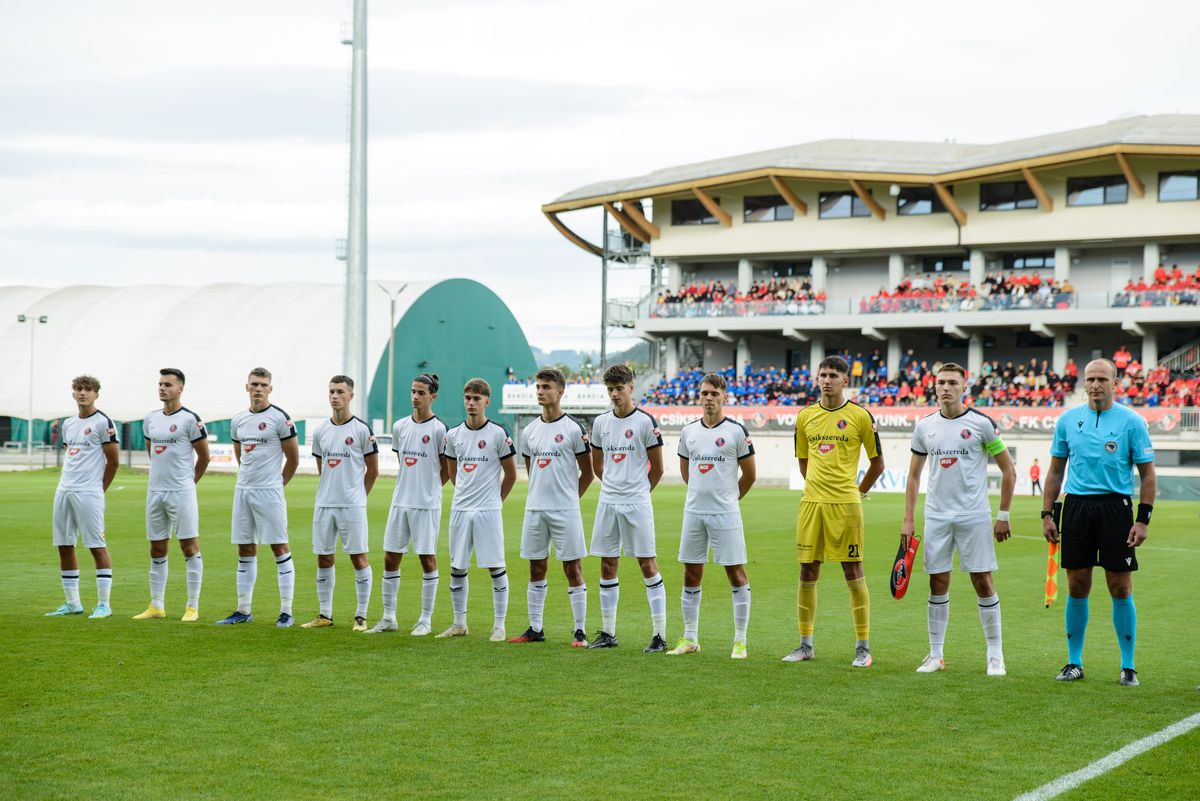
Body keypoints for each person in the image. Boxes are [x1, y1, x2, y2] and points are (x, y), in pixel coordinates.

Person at [1043, 359, 1156, 686]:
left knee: (1120, 587)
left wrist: (1143, 519)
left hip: (1115, 509)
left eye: (1101, 379)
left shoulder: (1132, 422)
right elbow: (1054, 472)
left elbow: (1148, 475)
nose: (1095, 384)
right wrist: (1047, 513)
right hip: (1076, 507)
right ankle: (1074, 662)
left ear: (1114, 383)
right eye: (1090, 379)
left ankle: (1128, 666)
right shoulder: (1067, 420)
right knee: (1077, 585)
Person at [902, 363, 1016, 676]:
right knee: (937, 582)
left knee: (982, 580)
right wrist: (908, 519)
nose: (946, 388)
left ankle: (995, 654)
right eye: (941, 383)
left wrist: (1003, 514)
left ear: (964, 387)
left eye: (953, 382)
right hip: (936, 515)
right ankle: (935, 655)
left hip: (973, 514)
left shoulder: (981, 424)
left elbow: (1009, 470)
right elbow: (913, 476)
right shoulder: (925, 426)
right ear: (934, 387)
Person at [783, 356, 884, 667]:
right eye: (822, 375)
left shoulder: (860, 416)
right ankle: (805, 645)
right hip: (812, 504)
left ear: (845, 381)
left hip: (846, 505)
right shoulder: (804, 417)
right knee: (807, 571)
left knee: (852, 570)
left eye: (832, 375)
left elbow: (877, 463)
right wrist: (816, 487)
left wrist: (857, 491)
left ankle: (863, 648)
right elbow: (803, 461)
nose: (826, 380)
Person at [667, 373, 756, 659]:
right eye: (704, 393)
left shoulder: (736, 431)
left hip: (725, 513)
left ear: (724, 397)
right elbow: (685, 470)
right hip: (694, 512)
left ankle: (740, 641)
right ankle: (690, 637)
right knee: (691, 573)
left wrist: (729, 499)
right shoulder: (688, 431)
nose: (708, 398)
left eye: (714, 394)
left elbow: (750, 474)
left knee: (735, 572)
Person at [510, 368, 594, 646]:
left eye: (546, 387)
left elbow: (588, 472)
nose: (540, 391)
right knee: (536, 567)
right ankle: (535, 628)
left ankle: (579, 631)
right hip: (535, 510)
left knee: (572, 568)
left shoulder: (573, 429)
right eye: (538, 387)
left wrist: (570, 499)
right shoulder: (530, 431)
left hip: (565, 511)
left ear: (560, 392)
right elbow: (532, 470)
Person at [587, 364, 668, 652]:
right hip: (608, 501)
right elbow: (597, 464)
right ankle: (608, 632)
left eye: (619, 388)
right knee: (607, 564)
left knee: (647, 564)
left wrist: (638, 492)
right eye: (610, 389)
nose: (614, 394)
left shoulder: (646, 422)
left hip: (637, 501)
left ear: (631, 387)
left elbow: (657, 469)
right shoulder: (600, 423)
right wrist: (613, 486)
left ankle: (659, 635)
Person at [216, 367, 300, 627]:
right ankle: (243, 610)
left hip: (269, 492)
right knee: (245, 548)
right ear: (247, 387)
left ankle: (286, 611)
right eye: (254, 384)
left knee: (279, 547)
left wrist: (277, 484)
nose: (258, 389)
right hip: (243, 491)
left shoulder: (279, 418)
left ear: (270, 389)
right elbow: (241, 456)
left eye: (263, 384)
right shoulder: (238, 420)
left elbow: (293, 459)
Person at [367, 373, 450, 635]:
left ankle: (425, 619)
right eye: (413, 391)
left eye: (421, 393)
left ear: (433, 396)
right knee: (391, 557)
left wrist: (430, 488)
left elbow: (446, 468)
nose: (415, 397)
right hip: (400, 501)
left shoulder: (439, 429)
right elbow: (404, 462)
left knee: (427, 558)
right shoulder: (401, 427)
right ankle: (389, 617)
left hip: (426, 504)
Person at [438, 378, 517, 641]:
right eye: (467, 398)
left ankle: (499, 625)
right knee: (457, 567)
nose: (471, 403)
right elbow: (452, 472)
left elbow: (511, 474)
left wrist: (495, 501)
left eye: (476, 398)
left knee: (496, 567)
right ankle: (459, 623)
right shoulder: (453, 435)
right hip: (461, 509)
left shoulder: (498, 433)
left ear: (486, 401)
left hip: (488, 511)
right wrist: (466, 495)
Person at [133, 368, 210, 621]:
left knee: (189, 546)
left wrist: (189, 482)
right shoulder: (151, 418)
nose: (162, 388)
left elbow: (204, 457)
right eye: (160, 384)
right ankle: (156, 606)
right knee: (156, 548)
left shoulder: (190, 419)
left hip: (181, 492)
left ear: (180, 389)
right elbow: (151, 449)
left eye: (167, 384)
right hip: (155, 492)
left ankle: (192, 606)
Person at [302, 376, 378, 631]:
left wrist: (358, 497)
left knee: (358, 558)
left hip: (351, 506)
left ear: (351, 396)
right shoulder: (321, 431)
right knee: (324, 558)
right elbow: (321, 468)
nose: (335, 396)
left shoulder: (361, 429)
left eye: (340, 392)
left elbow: (373, 470)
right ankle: (325, 614)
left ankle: (361, 616)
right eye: (332, 391)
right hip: (324, 504)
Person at [46, 375, 119, 618]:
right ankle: (73, 603)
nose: (83, 393)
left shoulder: (103, 422)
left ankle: (104, 604)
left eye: (88, 389)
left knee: (97, 546)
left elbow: (114, 461)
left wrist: (99, 489)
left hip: (89, 492)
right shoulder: (68, 423)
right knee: (64, 545)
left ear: (96, 394)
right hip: (64, 490)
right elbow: (71, 454)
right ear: (73, 392)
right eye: (78, 389)